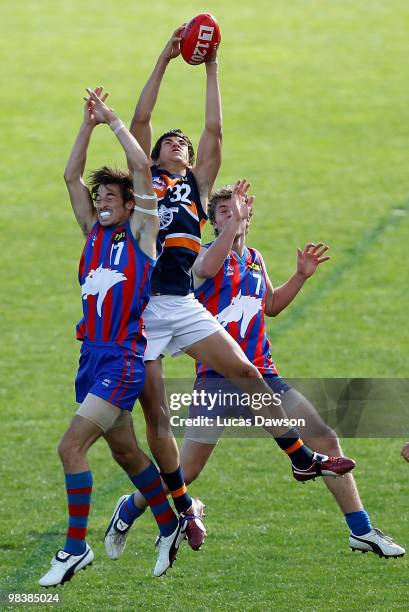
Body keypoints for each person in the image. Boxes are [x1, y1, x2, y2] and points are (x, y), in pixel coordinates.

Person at [111, 180, 404, 559]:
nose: (232, 213)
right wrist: (233, 224)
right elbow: (207, 268)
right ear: (213, 222)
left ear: (250, 216)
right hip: (217, 381)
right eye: (222, 211)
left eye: (238, 208)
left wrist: (300, 276)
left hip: (265, 377)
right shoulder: (199, 256)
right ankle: (130, 506)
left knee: (326, 439)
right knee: (187, 472)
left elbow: (271, 305)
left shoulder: (255, 258)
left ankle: (361, 531)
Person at [39, 88, 185, 587]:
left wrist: (114, 121)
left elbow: (142, 172)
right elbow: (69, 177)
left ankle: (73, 549)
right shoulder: (92, 233)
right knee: (125, 452)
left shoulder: (142, 235)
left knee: (70, 448)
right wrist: (86, 126)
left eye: (109, 199)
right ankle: (169, 524)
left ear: (129, 207)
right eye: (97, 198)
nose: (100, 203)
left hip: (123, 361)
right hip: (90, 360)